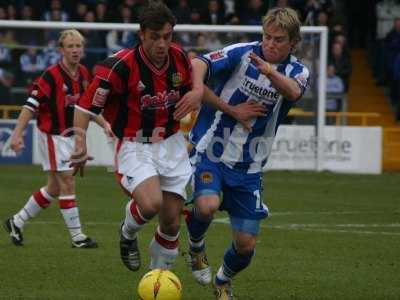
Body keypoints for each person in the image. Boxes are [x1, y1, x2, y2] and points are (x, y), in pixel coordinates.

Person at [185, 7, 310, 299]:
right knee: (206, 206)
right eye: (267, 36)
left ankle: (222, 280)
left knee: (246, 245)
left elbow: (292, 92)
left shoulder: (298, 71)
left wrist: (269, 71)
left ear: (292, 42)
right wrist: (211, 98)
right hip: (211, 152)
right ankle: (195, 247)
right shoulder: (242, 52)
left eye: (278, 39)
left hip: (249, 167)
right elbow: (198, 64)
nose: (270, 43)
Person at [70, 1, 203, 272]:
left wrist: (197, 95)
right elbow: (84, 107)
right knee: (152, 203)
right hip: (134, 144)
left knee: (172, 222)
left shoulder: (180, 58)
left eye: (167, 36)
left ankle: (157, 279)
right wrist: (80, 144)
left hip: (172, 143)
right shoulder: (119, 67)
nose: (162, 44)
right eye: (155, 37)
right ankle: (128, 233)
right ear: (142, 34)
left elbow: (197, 88)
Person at [3, 29, 107, 248]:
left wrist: (105, 124)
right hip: (52, 136)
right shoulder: (50, 76)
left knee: (54, 188)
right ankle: (78, 237)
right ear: (61, 50)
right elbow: (30, 106)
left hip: (71, 136)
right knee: (67, 181)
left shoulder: (85, 74)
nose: (75, 50)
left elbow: (87, 108)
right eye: (70, 46)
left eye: (78, 46)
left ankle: (17, 221)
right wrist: (17, 134)